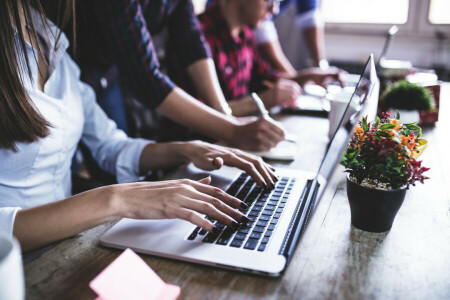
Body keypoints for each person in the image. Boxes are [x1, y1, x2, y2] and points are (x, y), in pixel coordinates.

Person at [0, 0, 277, 253]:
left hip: (64, 249)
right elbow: (145, 75)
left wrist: (186, 150)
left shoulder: (50, 40)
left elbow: (110, 145)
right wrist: (117, 200)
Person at [69, 0, 284, 151]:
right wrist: (232, 130)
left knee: (112, 159)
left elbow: (192, 43)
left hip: (110, 70)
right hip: (74, 66)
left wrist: (225, 116)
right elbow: (145, 79)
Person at [172, 0, 341, 117]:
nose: (274, 10)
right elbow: (202, 114)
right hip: (205, 145)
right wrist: (264, 100)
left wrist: (310, 76)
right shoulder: (198, 37)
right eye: (269, 1)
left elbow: (267, 78)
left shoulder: (245, 36)